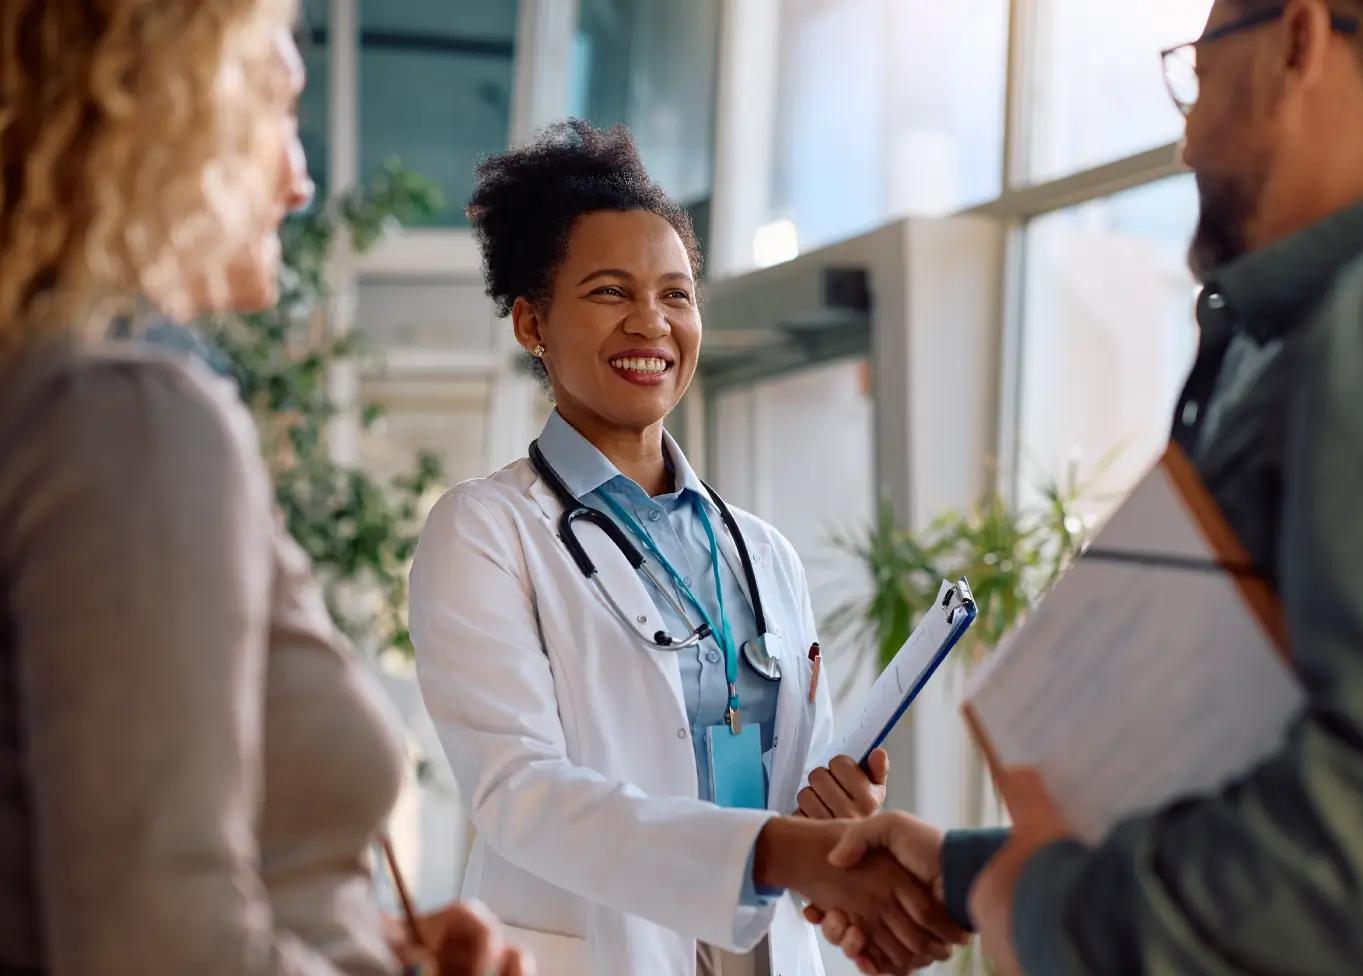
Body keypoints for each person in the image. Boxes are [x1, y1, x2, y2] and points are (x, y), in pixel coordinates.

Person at [817, 0, 1363, 973]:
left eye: (1197, 70)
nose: (1185, 137)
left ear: (1297, 42)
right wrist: (978, 872)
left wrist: (1057, 910)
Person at [0, 3, 526, 974]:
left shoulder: (50, 397)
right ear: (171, 102)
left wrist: (376, 943)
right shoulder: (129, 415)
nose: (300, 179)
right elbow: (158, 952)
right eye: (280, 103)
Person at [407, 120, 963, 976]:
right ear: (531, 322)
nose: (651, 324)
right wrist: (775, 848)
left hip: (763, 949)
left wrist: (833, 808)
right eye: (608, 292)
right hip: (598, 951)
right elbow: (520, 794)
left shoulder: (760, 550)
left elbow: (786, 773)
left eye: (675, 294)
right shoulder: (485, 531)